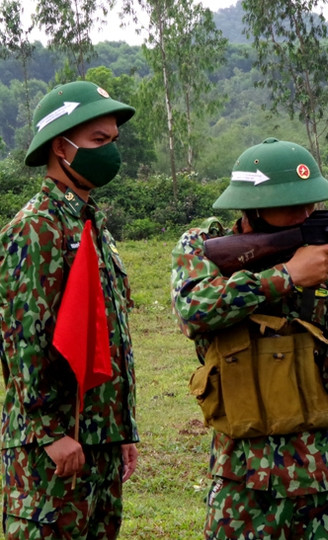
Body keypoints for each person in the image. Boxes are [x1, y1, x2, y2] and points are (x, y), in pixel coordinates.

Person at [170, 137, 328, 539]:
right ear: (253, 207)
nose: (305, 214)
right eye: (291, 204)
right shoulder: (202, 249)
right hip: (245, 482)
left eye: (310, 203)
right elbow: (195, 310)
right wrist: (287, 277)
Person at [0, 81, 139, 538]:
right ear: (62, 147)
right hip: (52, 453)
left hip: (98, 441)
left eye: (113, 142)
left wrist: (122, 429)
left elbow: (111, 338)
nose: (111, 153)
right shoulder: (36, 229)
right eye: (99, 142)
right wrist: (49, 433)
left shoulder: (91, 222)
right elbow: (21, 340)